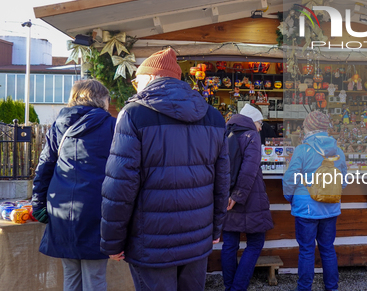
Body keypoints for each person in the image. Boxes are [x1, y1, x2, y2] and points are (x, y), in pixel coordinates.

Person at [100, 48, 230, 291]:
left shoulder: (134, 114)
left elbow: (120, 185)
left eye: (136, 80)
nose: (135, 86)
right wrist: (215, 229)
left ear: (150, 78)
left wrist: (113, 242)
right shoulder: (213, 117)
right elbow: (222, 182)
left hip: (150, 241)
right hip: (196, 237)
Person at [31, 79, 116, 291]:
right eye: (107, 98)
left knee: (70, 276)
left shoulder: (58, 124)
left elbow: (45, 166)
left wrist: (38, 203)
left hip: (61, 209)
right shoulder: (112, 125)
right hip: (97, 207)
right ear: (99, 98)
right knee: (95, 277)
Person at [283, 111, 347, 291]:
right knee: (327, 249)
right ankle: (332, 288)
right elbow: (343, 181)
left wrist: (290, 198)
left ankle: (304, 288)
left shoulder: (302, 150)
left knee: (306, 251)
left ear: (308, 127)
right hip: (331, 208)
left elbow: (290, 179)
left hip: (306, 208)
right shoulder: (338, 151)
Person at [221, 103, 274, 291]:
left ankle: (230, 286)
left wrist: (228, 194)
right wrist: (238, 194)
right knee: (256, 243)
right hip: (250, 198)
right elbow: (249, 169)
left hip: (227, 199)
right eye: (259, 123)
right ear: (252, 121)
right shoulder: (252, 136)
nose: (261, 127)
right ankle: (238, 287)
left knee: (229, 245)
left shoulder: (225, 133)